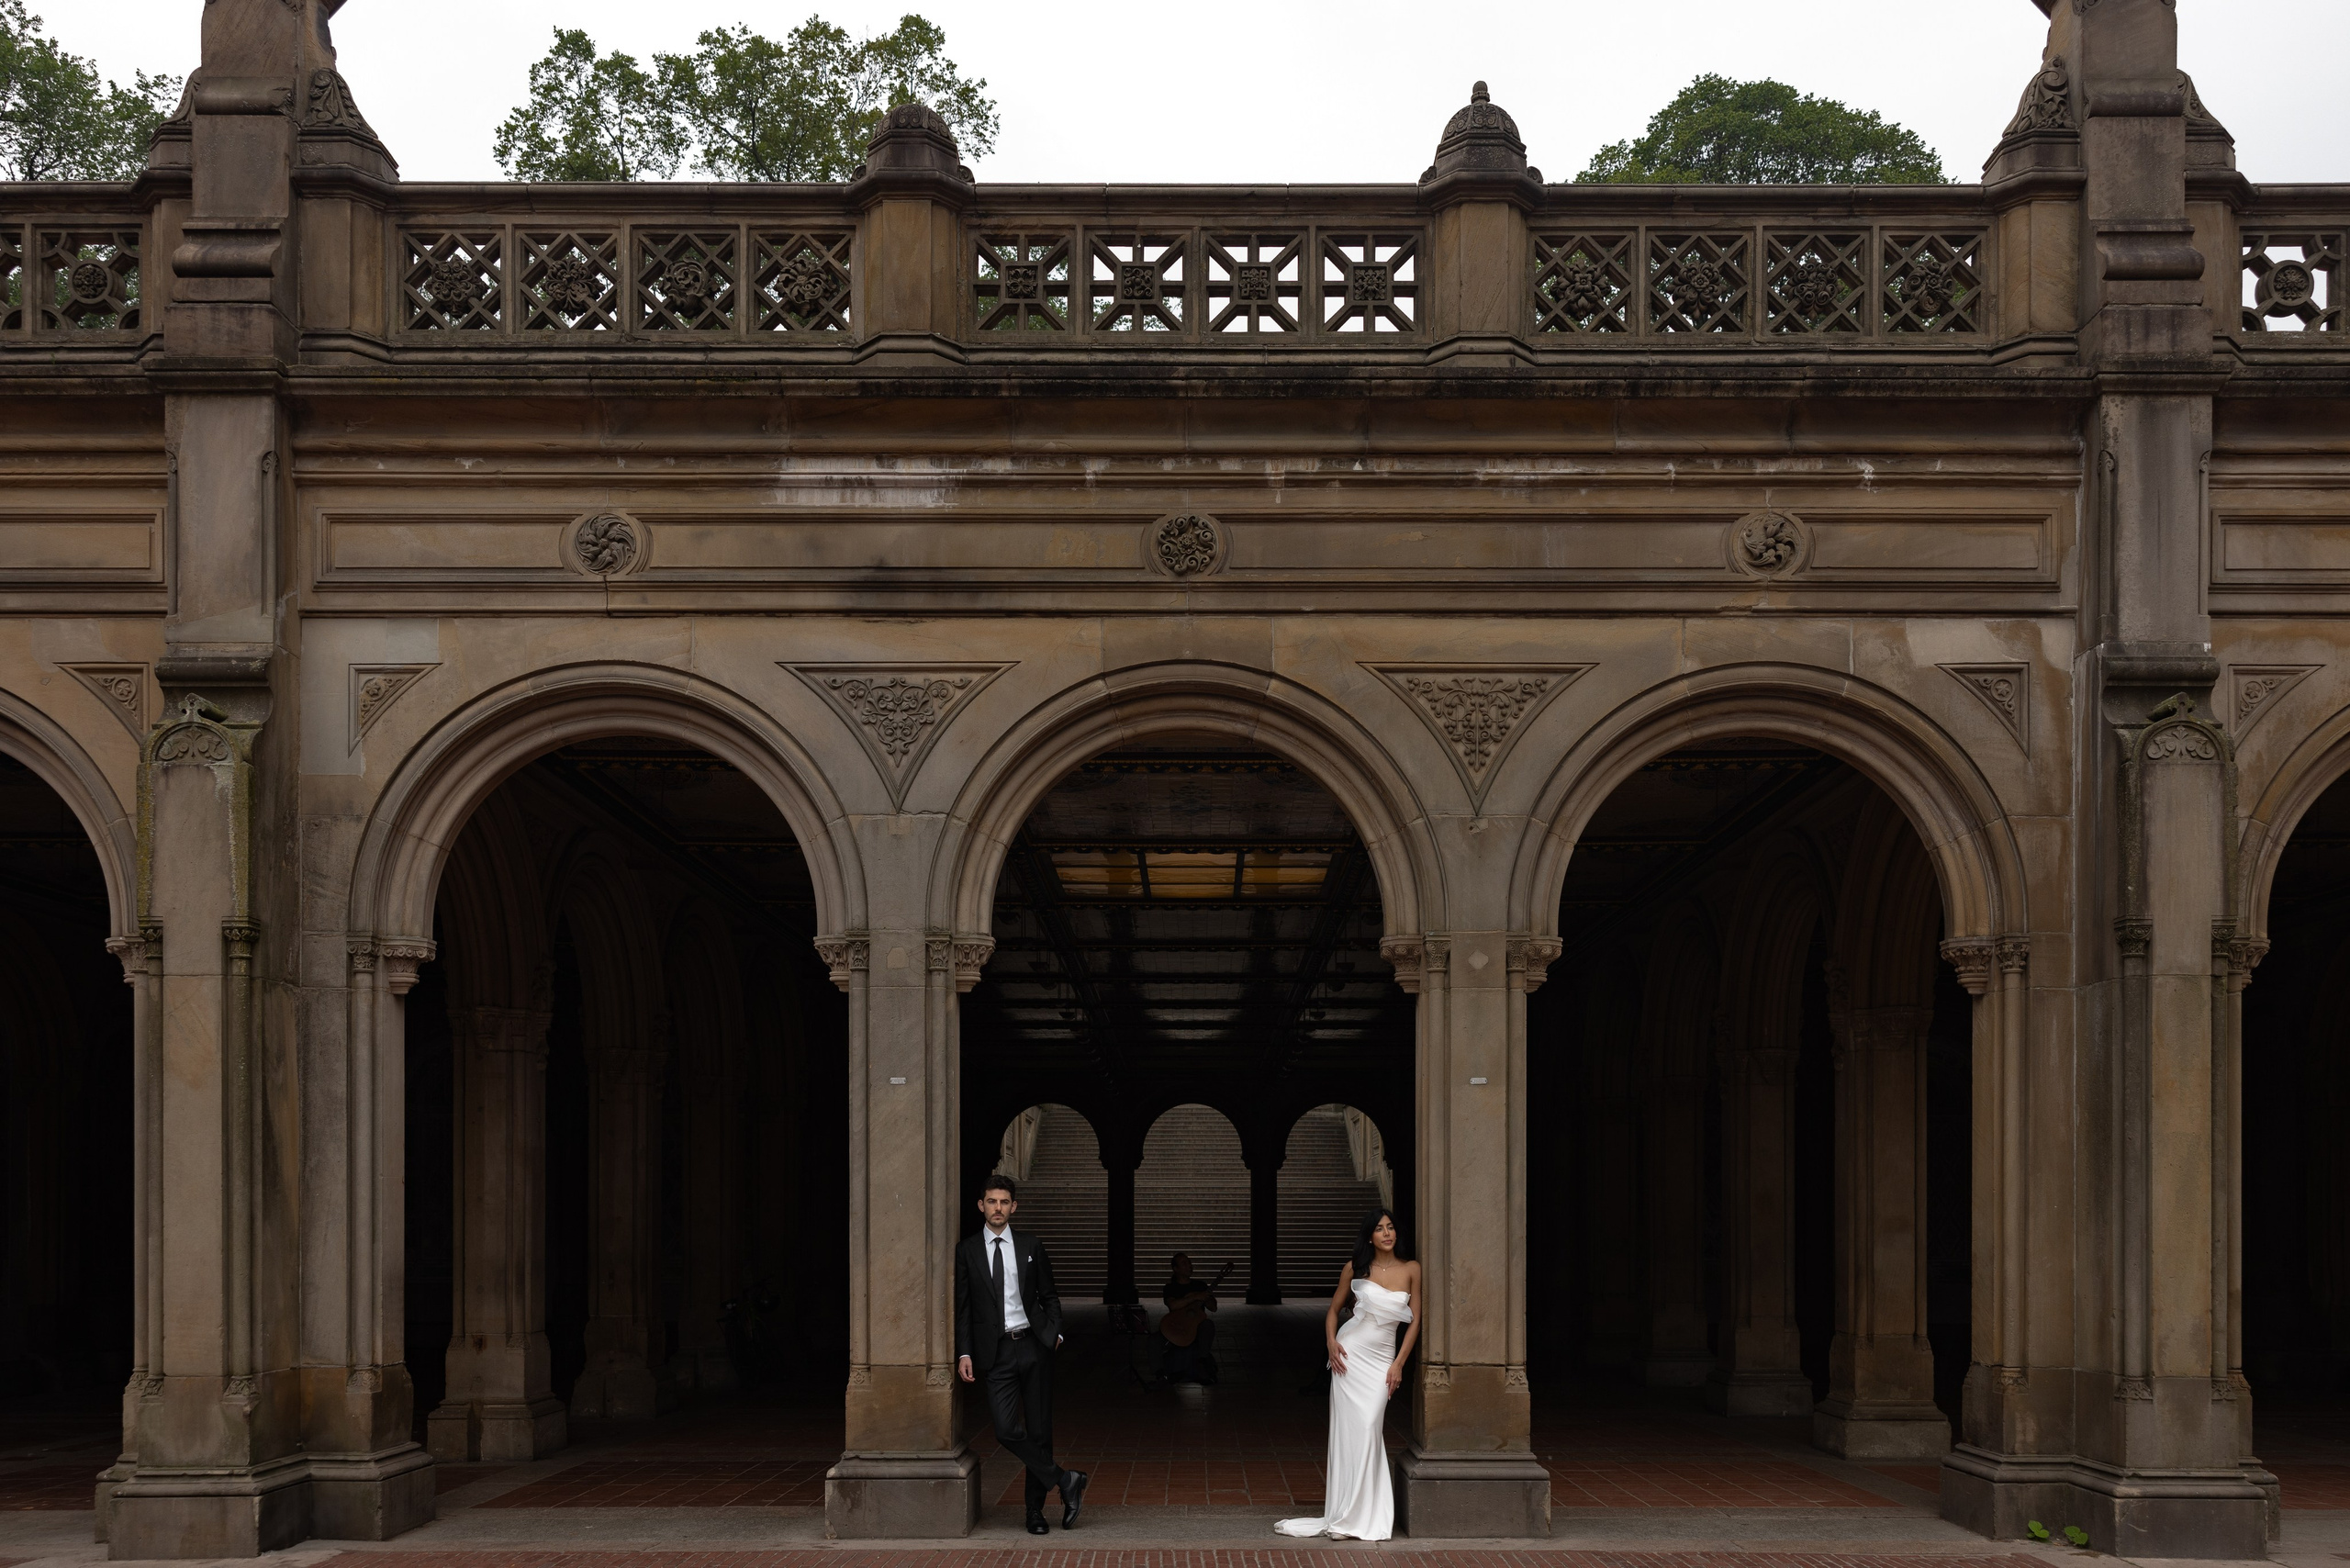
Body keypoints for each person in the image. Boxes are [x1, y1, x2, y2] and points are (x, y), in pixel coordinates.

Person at [955, 1174, 1091, 1534]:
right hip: (995, 1353)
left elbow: (1050, 1295)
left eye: (1004, 1202)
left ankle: (1035, 1512)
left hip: (1034, 1346)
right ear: (981, 1206)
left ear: (1013, 1207)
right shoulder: (967, 1249)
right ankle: (1066, 1480)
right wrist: (964, 1352)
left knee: (1040, 1431)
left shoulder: (1031, 1245)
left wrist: (1055, 1331)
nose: (997, 1208)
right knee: (1005, 1429)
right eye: (991, 1201)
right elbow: (964, 1308)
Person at [1274, 1207, 1418, 1541]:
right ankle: (1347, 1514)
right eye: (1380, 1229)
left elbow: (1415, 1321)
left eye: (1391, 1227)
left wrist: (1398, 1363)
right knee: (1351, 1434)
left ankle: (1363, 1514)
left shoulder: (1412, 1269)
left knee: (1370, 1427)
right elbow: (1333, 1311)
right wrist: (1330, 1343)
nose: (1387, 1233)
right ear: (1370, 1236)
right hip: (1350, 1359)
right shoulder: (1355, 1268)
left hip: (1383, 1360)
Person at [1157, 1252, 1221, 1384]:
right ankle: (1160, 1374)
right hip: (1176, 1325)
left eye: (1190, 1262)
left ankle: (1202, 1361)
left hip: (1196, 1326)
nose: (1189, 1266)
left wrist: (1207, 1298)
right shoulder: (1170, 1288)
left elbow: (1213, 1308)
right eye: (1184, 1263)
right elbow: (1173, 1305)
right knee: (1153, 1341)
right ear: (1176, 1269)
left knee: (1208, 1325)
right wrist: (1194, 1297)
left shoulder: (1200, 1285)